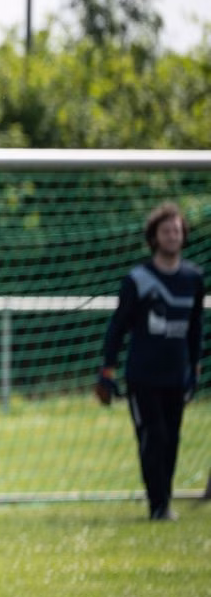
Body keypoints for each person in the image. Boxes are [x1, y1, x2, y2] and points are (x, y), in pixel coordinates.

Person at [98, 201, 205, 522]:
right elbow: (117, 327)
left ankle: (164, 501)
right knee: (153, 436)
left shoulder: (193, 278)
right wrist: (107, 370)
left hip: (176, 374)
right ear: (154, 237)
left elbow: (196, 327)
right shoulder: (138, 279)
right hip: (142, 376)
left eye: (176, 230)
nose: (172, 236)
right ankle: (157, 505)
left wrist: (195, 367)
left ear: (183, 235)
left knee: (171, 439)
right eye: (165, 231)